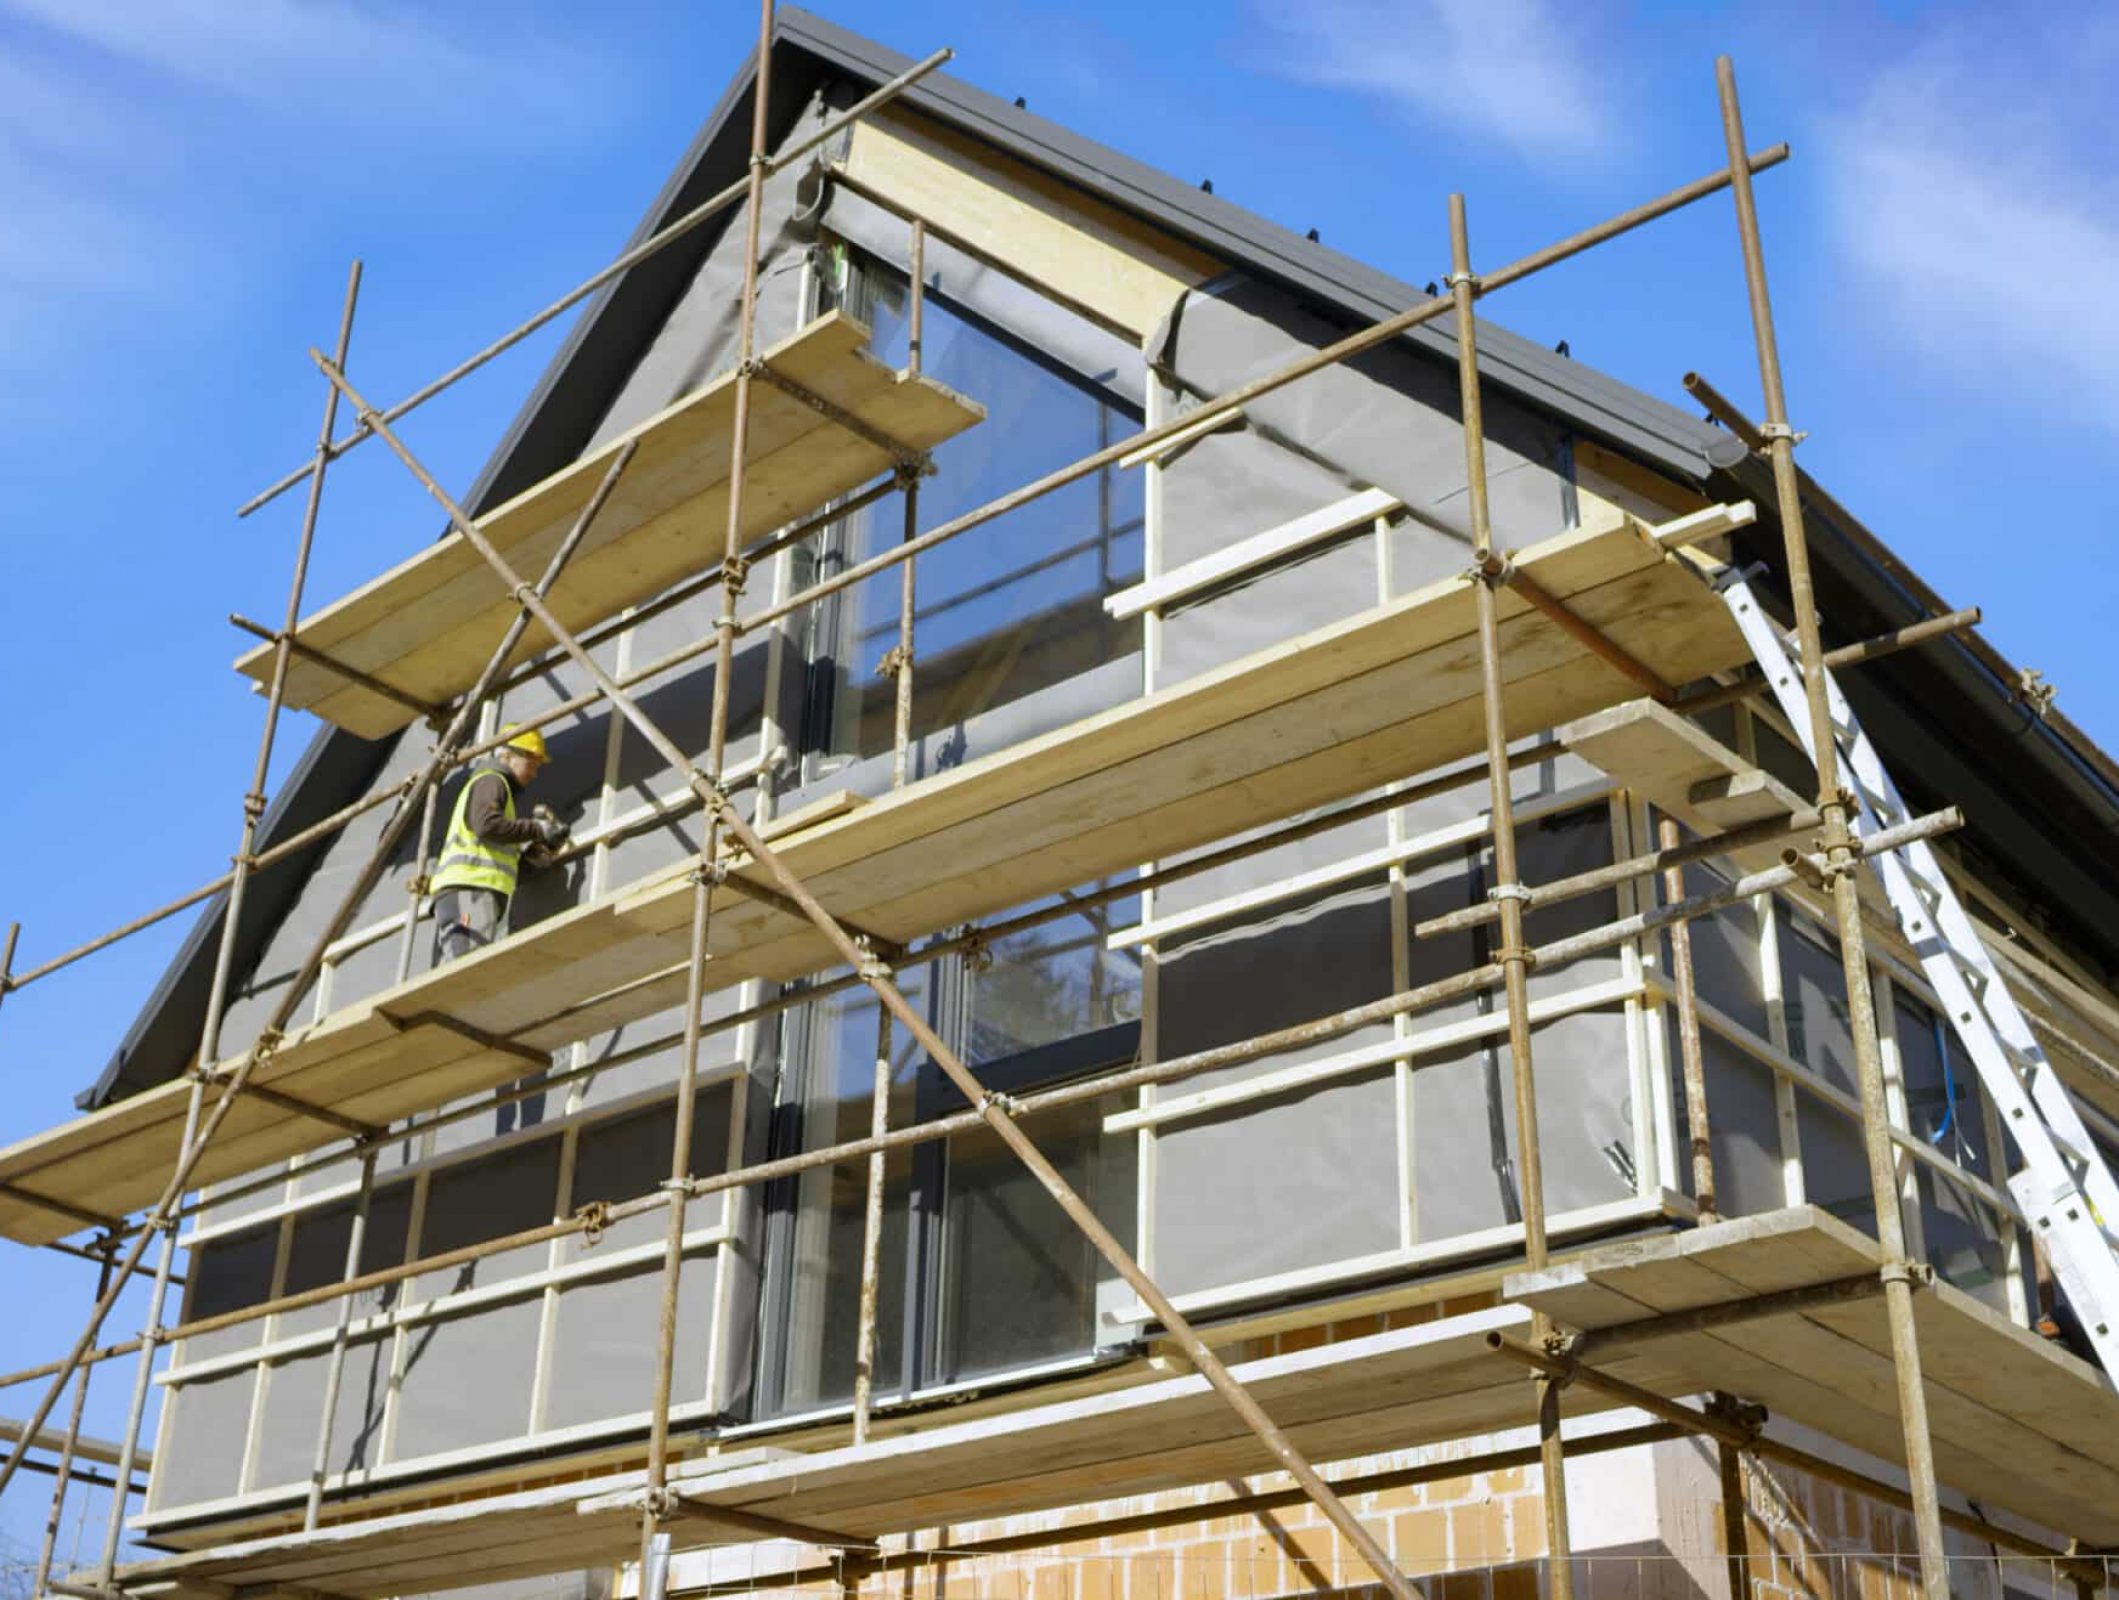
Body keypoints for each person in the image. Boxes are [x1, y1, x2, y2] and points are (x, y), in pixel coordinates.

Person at [429, 727, 569, 966]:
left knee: (469, 967)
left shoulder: (500, 794)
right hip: (468, 889)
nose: (534, 772)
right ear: (507, 756)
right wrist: (538, 828)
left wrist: (530, 861)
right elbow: (486, 825)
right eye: (531, 762)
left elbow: (495, 858)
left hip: (476, 890)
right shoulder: (492, 780)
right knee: (464, 972)